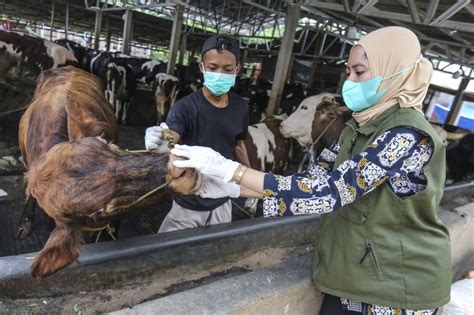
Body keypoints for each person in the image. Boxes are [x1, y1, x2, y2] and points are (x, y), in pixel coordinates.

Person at [171, 27, 451, 315]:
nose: (349, 81)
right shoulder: (356, 128)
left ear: (396, 72)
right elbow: (311, 181)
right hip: (354, 275)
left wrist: (233, 170)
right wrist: (235, 189)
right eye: (349, 72)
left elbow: (332, 193)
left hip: (397, 290)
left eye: (360, 72)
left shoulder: (407, 136)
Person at [145, 34, 250, 233]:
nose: (220, 73)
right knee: (167, 252)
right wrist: (162, 140)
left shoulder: (240, 107)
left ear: (237, 70)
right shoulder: (185, 107)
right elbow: (171, 138)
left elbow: (239, 144)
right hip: (189, 201)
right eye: (212, 68)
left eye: (227, 69)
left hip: (222, 198)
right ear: (201, 68)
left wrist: (250, 178)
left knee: (216, 254)